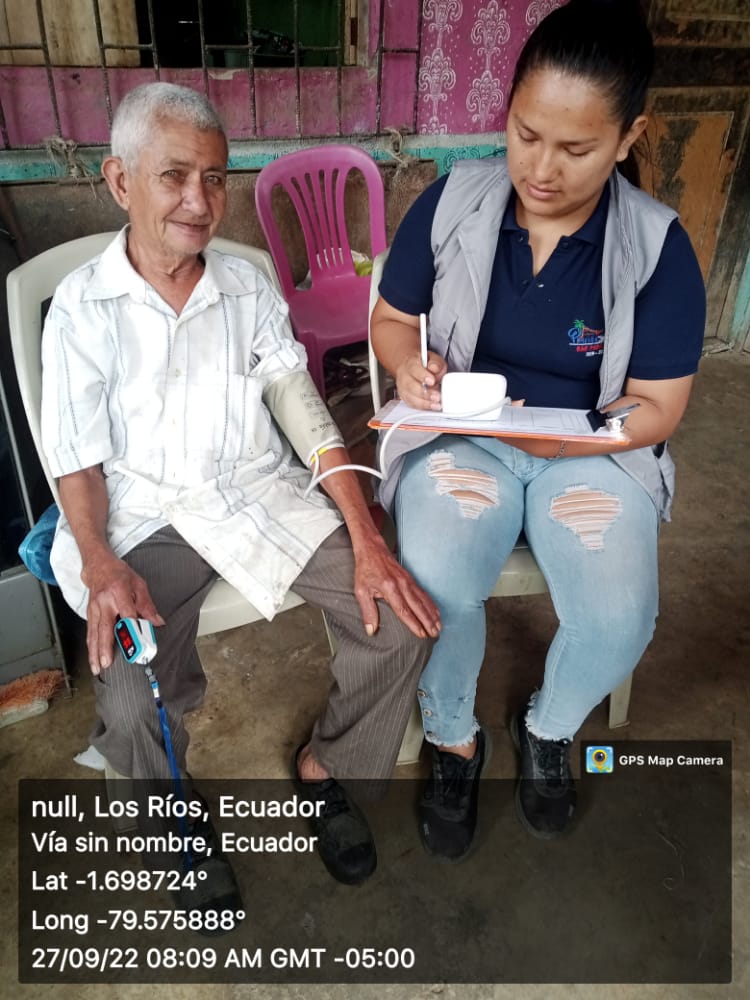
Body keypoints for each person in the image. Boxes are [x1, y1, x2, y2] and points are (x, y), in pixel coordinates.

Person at [40, 82, 441, 921]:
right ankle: (173, 818)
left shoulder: (246, 284)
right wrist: (101, 563)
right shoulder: (81, 307)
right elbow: (76, 460)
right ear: (119, 180)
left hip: (255, 492)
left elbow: (300, 408)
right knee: (128, 691)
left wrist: (366, 534)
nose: (199, 200)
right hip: (142, 519)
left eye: (215, 178)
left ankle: (327, 768)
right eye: (174, 176)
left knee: (399, 616)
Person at [370, 0, 705, 860]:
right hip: (462, 440)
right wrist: (409, 366)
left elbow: (656, 407)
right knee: (436, 582)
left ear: (629, 137)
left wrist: (560, 440)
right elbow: (393, 320)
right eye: (525, 135)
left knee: (620, 617)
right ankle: (453, 738)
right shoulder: (454, 202)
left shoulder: (656, 248)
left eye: (576, 148)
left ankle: (548, 726)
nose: (541, 169)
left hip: (591, 451)